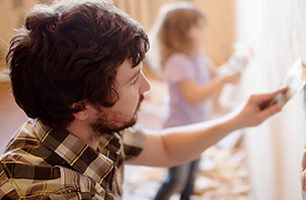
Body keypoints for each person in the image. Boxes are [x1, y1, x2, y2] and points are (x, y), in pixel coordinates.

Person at [0, 0, 284, 199]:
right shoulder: (54, 193)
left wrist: (239, 119)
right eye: (133, 79)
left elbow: (166, 147)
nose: (147, 87)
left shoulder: (91, 127)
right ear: (80, 106)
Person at [148, 3, 241, 200]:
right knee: (176, 181)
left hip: (197, 126)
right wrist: (223, 80)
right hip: (179, 129)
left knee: (191, 178)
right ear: (182, 33)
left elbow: (216, 73)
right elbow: (194, 97)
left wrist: (236, 64)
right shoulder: (178, 61)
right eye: (198, 28)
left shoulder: (198, 55)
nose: (204, 33)